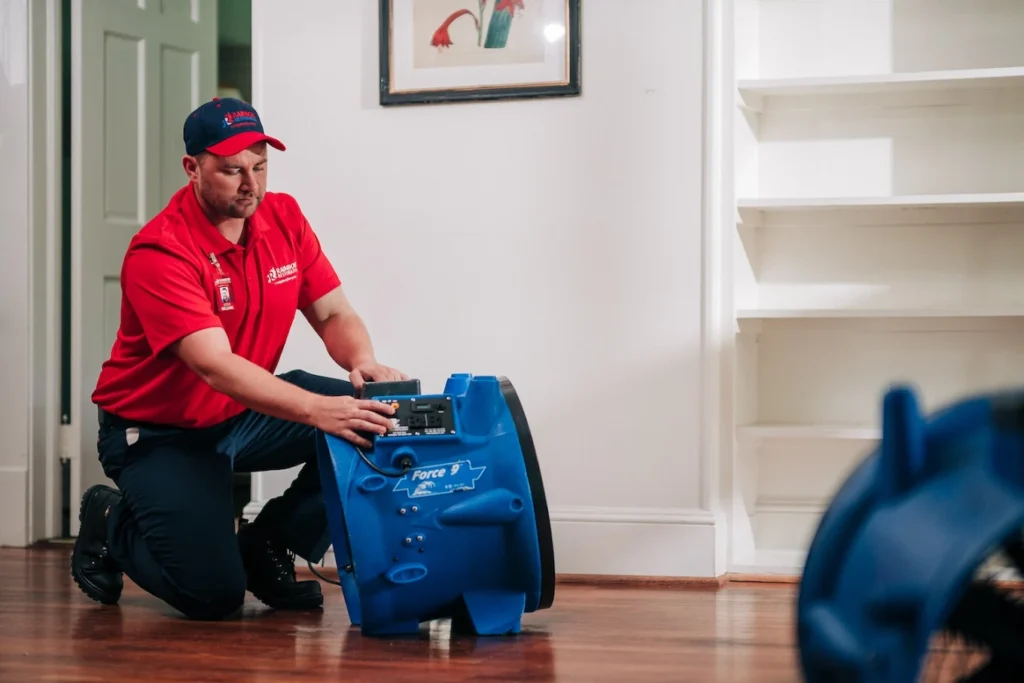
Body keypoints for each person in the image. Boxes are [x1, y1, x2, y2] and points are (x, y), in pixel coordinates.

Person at [70, 97, 408, 620]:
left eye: (260, 166)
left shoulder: (284, 217)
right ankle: (109, 517)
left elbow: (332, 311)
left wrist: (360, 361)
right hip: (159, 433)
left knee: (373, 421)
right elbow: (214, 366)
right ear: (193, 169)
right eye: (232, 170)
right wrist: (318, 411)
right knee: (212, 596)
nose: (250, 183)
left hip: (239, 415)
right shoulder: (160, 252)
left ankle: (269, 542)